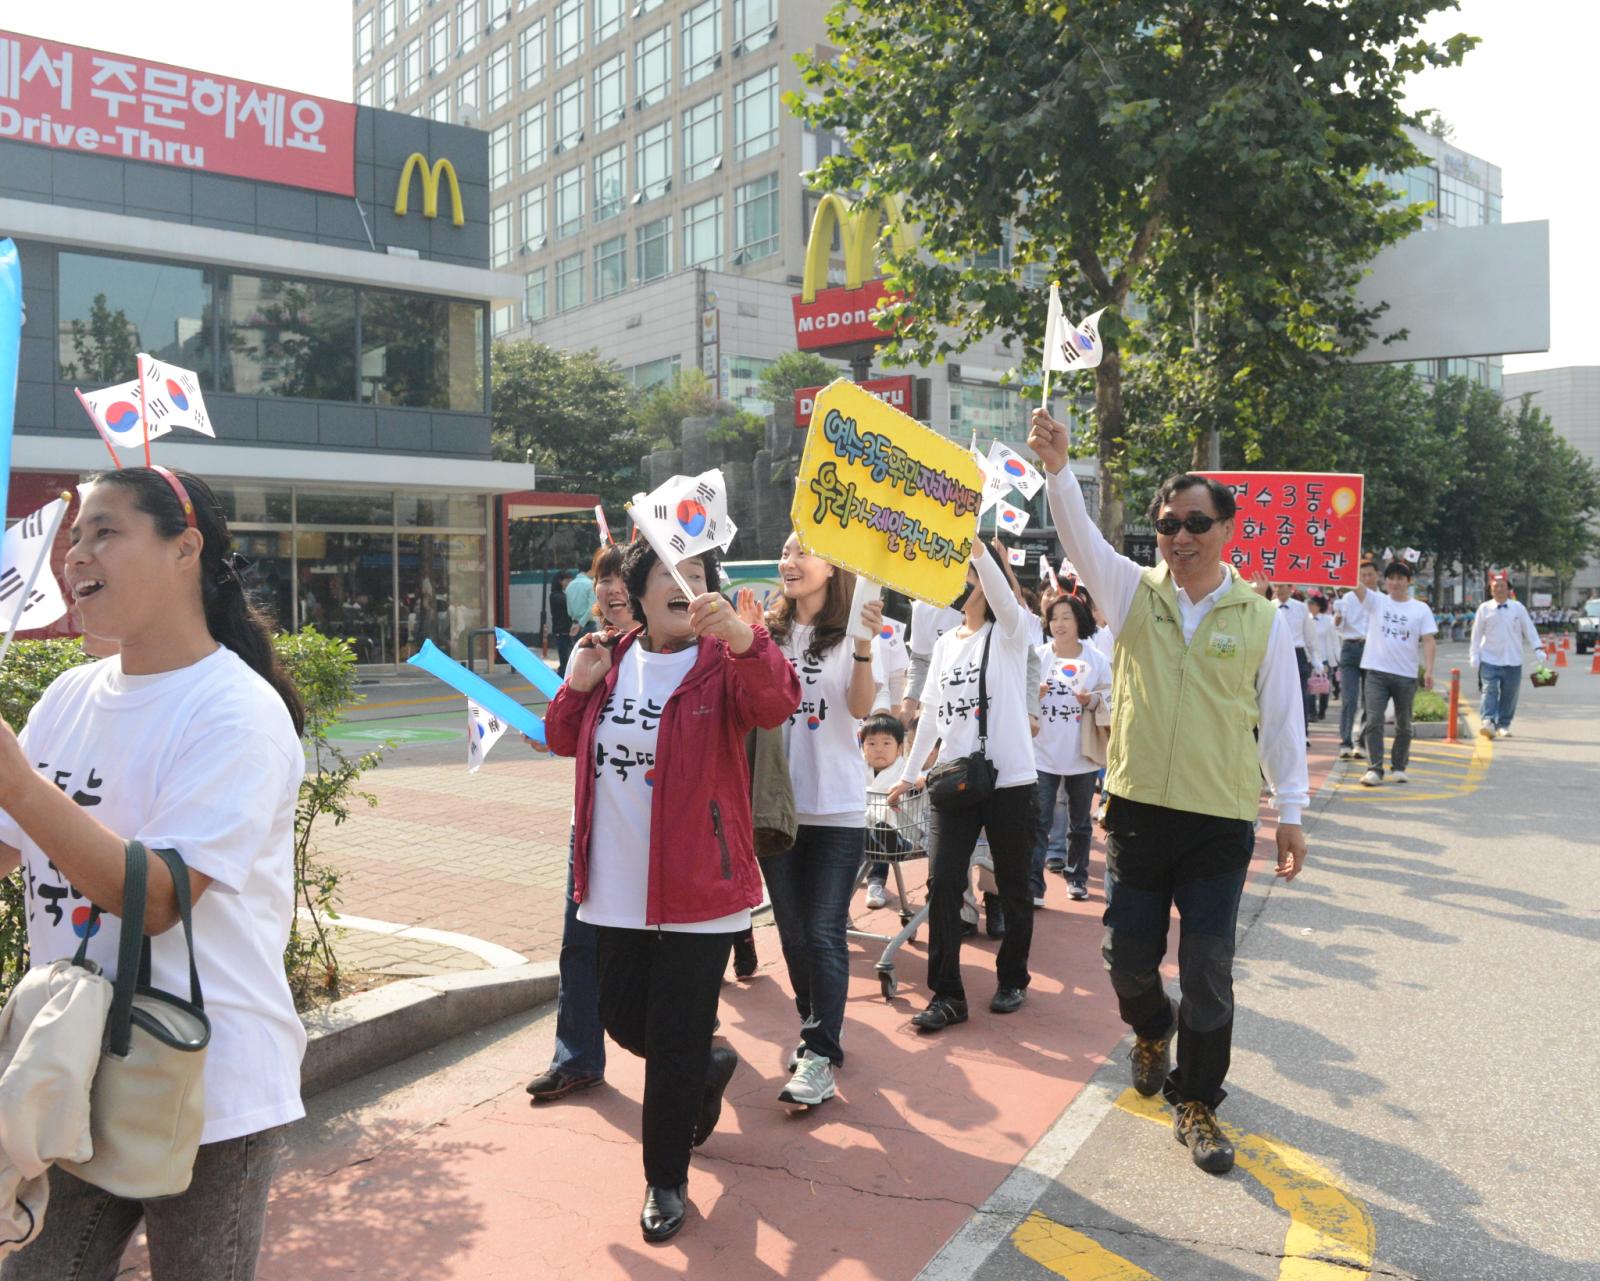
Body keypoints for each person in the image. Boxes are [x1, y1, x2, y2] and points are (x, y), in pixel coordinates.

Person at [0, 466, 307, 1279]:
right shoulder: (66, 695)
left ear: (186, 549)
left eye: (104, 530)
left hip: (206, 1077)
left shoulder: (236, 710)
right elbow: (8, 846)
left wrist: (20, 787)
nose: (76, 555)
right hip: (74, 1062)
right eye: (73, 538)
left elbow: (161, 896)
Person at [1029, 408, 1308, 1176]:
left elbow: (1283, 719)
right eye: (1166, 524)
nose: (1179, 536)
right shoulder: (1131, 594)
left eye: (1195, 522)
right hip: (1140, 812)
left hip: (1219, 820)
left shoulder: (1262, 618)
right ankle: (1152, 1026)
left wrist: (1291, 811)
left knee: (1211, 969)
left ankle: (1197, 1101)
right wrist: (1059, 469)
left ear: (1226, 529)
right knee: (1127, 957)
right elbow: (1081, 534)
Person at [543, 538, 799, 1243]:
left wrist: (748, 639)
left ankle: (665, 1177)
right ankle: (707, 1063)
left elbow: (777, 702)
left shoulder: (725, 664)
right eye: (668, 573)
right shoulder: (612, 656)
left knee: (678, 1033)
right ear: (639, 588)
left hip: (701, 888)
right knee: (625, 1017)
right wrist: (577, 684)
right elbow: (562, 737)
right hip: (616, 885)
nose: (685, 584)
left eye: (696, 573)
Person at [744, 534, 883, 1107]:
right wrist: (744, 643)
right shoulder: (766, 631)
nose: (790, 561)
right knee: (794, 934)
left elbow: (858, 708)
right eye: (786, 552)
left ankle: (820, 1051)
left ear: (834, 565)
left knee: (825, 933)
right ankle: (820, 1022)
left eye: (803, 551)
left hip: (838, 809)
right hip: (778, 808)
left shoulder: (856, 627)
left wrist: (866, 646)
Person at [887, 537, 1039, 1031]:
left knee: (1014, 884)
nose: (957, 584)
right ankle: (948, 993)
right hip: (953, 781)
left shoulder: (1013, 631)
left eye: (965, 575)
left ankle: (1012, 976)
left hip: (1010, 781)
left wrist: (977, 549)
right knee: (944, 883)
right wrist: (909, 774)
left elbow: (999, 588)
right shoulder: (948, 641)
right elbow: (930, 715)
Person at [526, 543, 632, 1104]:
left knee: (658, 953)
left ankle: (685, 1046)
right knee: (580, 946)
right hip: (591, 828)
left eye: (620, 579)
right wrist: (547, 732)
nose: (611, 590)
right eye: (603, 580)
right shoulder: (590, 651)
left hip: (652, 827)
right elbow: (568, 734)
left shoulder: (678, 655)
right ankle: (578, 1059)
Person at [1032, 591, 1112, 903]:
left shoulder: (1096, 660)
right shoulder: (1038, 657)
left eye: (1067, 617)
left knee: (1080, 824)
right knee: (1038, 822)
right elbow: (1018, 697)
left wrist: (1090, 700)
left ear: (1080, 621)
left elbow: (1110, 702)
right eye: (1054, 618)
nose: (1060, 624)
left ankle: (1076, 877)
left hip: (1083, 756)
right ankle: (1034, 886)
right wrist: (1033, 695)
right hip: (1042, 754)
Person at [1358, 561, 1437, 787]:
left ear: (1408, 582)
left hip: (1405, 675)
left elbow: (1429, 640)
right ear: (1385, 581)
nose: (1395, 583)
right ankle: (1374, 769)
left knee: (1404, 724)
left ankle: (1399, 766)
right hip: (1376, 672)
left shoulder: (1420, 609)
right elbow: (1355, 585)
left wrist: (1429, 670)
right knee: (1374, 720)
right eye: (1391, 578)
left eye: (1400, 579)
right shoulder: (1377, 601)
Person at [1470, 574, 1545, 740]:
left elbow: (1529, 629)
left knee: (1509, 695)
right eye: (1495, 586)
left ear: (1508, 589)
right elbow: (1476, 634)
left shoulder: (1518, 608)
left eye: (1502, 585)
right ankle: (1488, 721)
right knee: (1489, 690)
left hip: (1513, 659)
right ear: (1491, 590)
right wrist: (1474, 654)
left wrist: (1538, 647)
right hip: (1490, 658)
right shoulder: (1484, 608)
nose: (1498, 589)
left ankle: (1503, 725)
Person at [1332, 561, 1380, 759]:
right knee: (1349, 699)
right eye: (1363, 575)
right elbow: (1338, 628)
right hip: (1351, 648)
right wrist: (1337, 616)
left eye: (1370, 575)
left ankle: (1361, 742)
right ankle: (1345, 742)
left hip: (1372, 649)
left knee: (1369, 700)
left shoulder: (1381, 600)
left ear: (1377, 575)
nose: (1366, 579)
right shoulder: (1347, 598)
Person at [861, 713, 907, 909]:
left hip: (898, 825)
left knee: (883, 831)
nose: (879, 749)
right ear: (862, 747)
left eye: (886, 743)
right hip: (862, 825)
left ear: (899, 748)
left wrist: (919, 781)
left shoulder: (905, 770)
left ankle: (876, 884)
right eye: (871, 744)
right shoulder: (856, 767)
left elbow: (922, 777)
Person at [1269, 582, 1318, 732]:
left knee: (1299, 695)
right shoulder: (1267, 606)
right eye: (1276, 586)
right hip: (1275, 654)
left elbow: (1310, 636)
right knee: (1274, 695)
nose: (1278, 590)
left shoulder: (1301, 608)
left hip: (1297, 654)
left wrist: (1316, 659)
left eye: (1282, 586)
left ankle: (1302, 732)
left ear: (1291, 588)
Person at [1306, 595, 1339, 722]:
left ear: (1318, 606)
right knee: (1311, 686)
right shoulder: (1306, 619)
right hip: (1310, 657)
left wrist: (1337, 658)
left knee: (1324, 686)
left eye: (1311, 604)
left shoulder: (1328, 620)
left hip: (1324, 657)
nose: (1309, 606)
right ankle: (1311, 713)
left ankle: (1322, 710)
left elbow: (1335, 640)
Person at [550, 570, 575, 672]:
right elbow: (569, 603)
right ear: (560, 581)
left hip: (565, 631)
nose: (569, 583)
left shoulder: (561, 595)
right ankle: (561, 682)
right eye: (568, 581)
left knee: (567, 660)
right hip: (562, 632)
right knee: (565, 661)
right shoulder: (556, 596)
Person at [565, 565, 596, 641]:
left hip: (574, 625)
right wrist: (581, 624)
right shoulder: (591, 584)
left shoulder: (569, 585)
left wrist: (577, 623)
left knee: (577, 651)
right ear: (590, 571)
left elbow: (569, 612)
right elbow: (592, 608)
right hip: (589, 626)